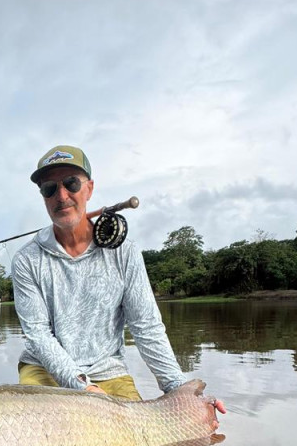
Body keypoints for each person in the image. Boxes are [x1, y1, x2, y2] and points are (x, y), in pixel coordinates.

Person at [11, 145, 226, 416]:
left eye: (71, 183)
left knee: (147, 441)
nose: (61, 196)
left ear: (89, 188)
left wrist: (180, 390)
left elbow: (146, 327)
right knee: (38, 429)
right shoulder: (26, 260)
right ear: (43, 196)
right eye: (49, 189)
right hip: (43, 370)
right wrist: (83, 387)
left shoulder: (125, 253)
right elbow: (38, 335)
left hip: (108, 372)